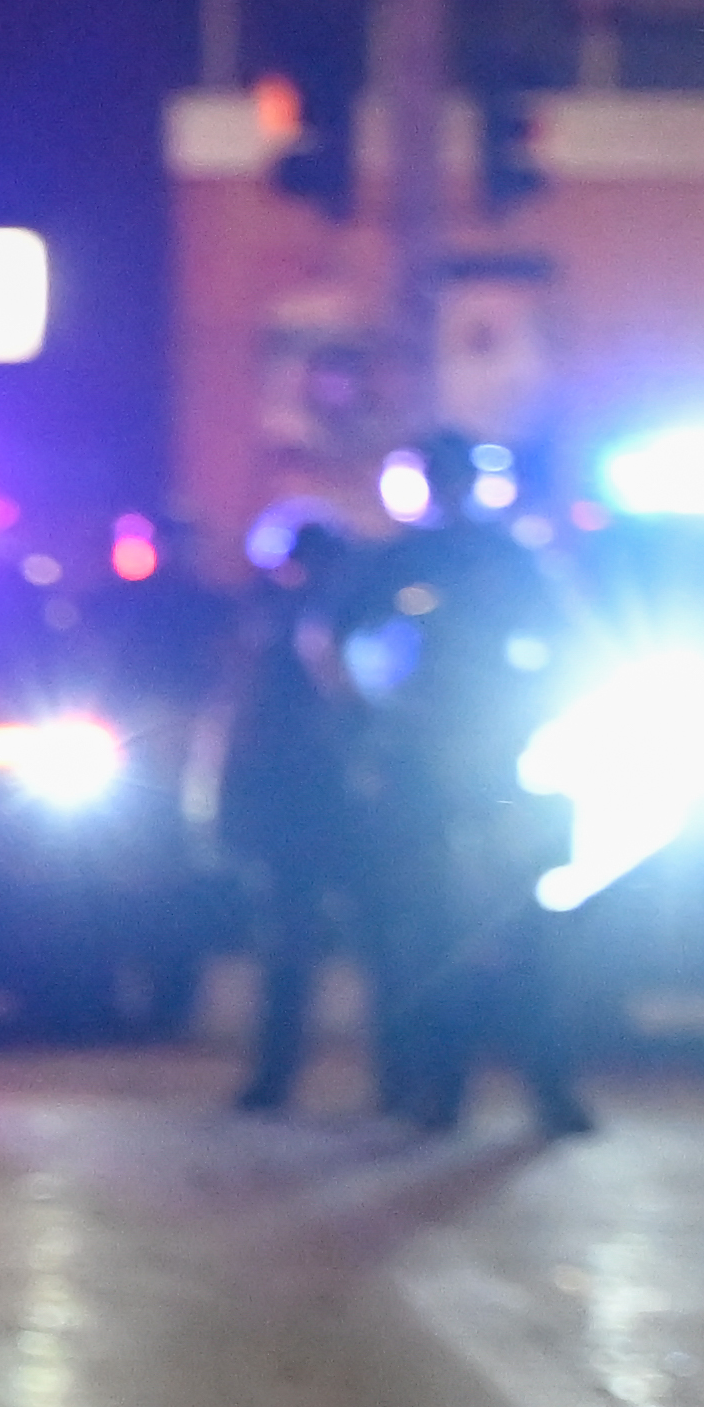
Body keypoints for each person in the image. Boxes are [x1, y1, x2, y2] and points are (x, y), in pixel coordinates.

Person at [335, 438, 594, 1141]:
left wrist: (525, 712)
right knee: (423, 933)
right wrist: (379, 716)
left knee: (517, 926)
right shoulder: (404, 561)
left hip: (489, 765)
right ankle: (429, 1088)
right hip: (421, 770)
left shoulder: (500, 559)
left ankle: (534, 1089)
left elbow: (571, 647)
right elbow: (336, 645)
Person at [215, 501, 375, 1113]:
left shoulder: (327, 624)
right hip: (309, 805)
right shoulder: (286, 624)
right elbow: (245, 721)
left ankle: (395, 1084)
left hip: (333, 803)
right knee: (295, 948)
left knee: (307, 947)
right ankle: (283, 1078)